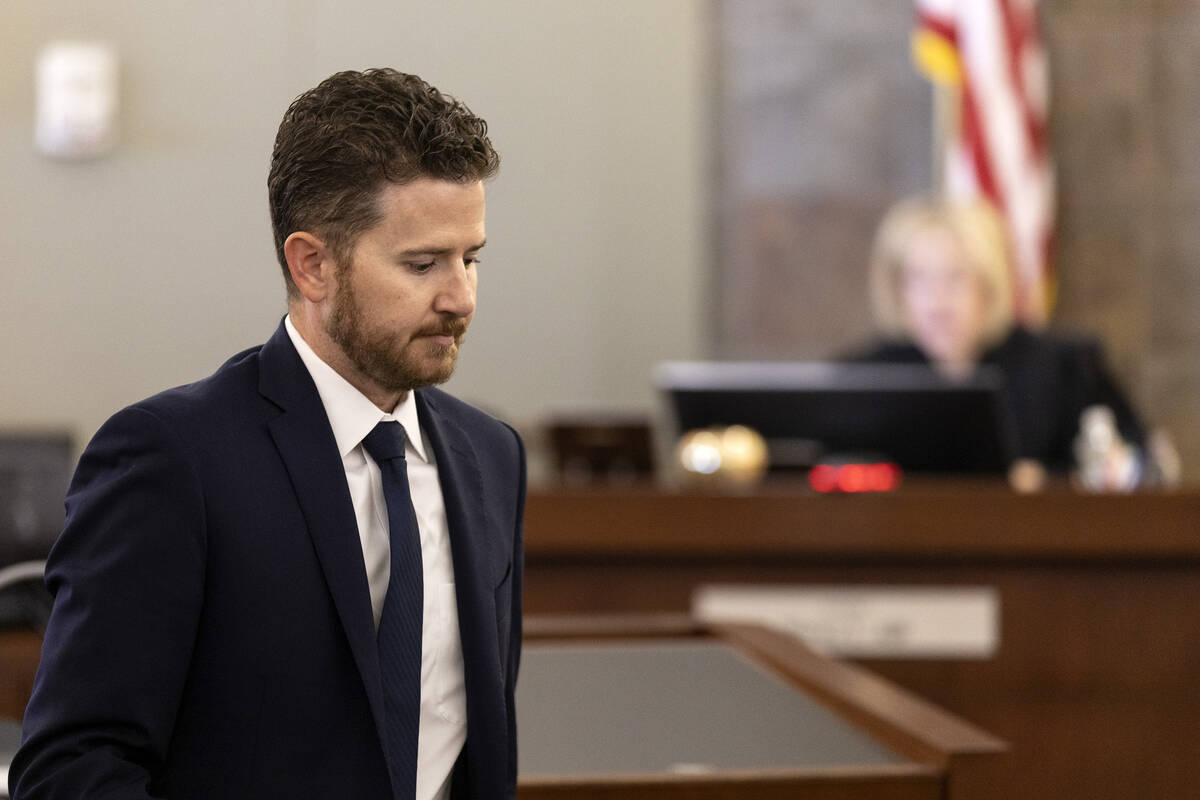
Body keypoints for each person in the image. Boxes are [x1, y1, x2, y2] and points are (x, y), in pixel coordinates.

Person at [12, 69, 524, 800]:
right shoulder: (173, 458)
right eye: (422, 264)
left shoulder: (492, 458)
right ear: (312, 265)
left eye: (470, 259)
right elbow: (71, 771)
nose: (461, 297)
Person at [850, 195, 1146, 475]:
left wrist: (1047, 482)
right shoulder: (862, 381)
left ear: (989, 287)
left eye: (955, 277)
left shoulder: (1067, 370)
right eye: (918, 278)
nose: (937, 301)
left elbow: (1139, 465)